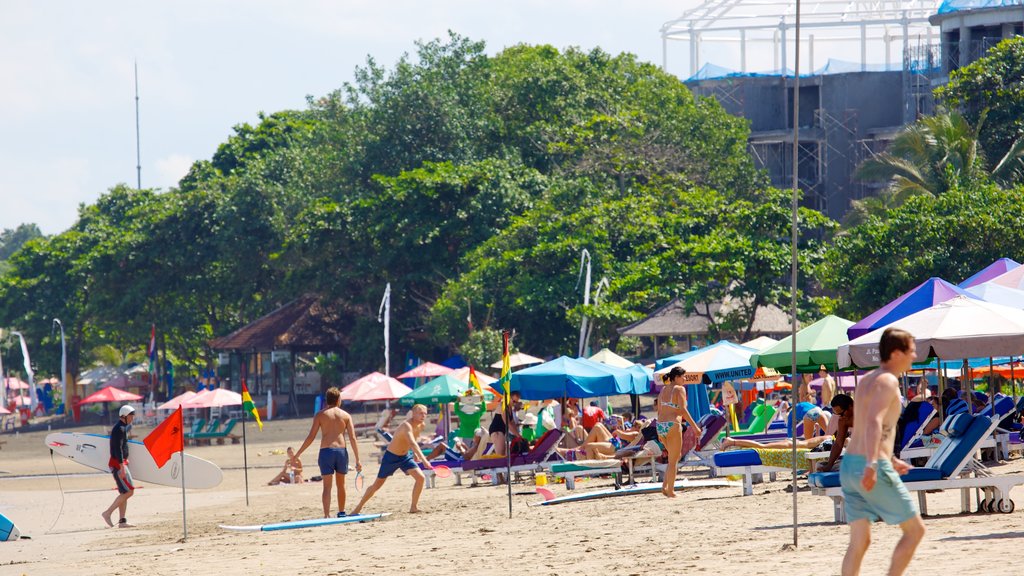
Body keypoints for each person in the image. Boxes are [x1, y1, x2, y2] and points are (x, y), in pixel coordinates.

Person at [840, 327, 925, 576]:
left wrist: (891, 457)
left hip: (849, 466)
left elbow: (867, 423)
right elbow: (874, 421)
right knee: (915, 531)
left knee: (859, 541)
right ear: (897, 353)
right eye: (911, 350)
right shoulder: (888, 381)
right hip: (868, 464)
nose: (914, 355)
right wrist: (873, 464)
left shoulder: (867, 380)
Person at [351, 404, 433, 515]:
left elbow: (414, 440)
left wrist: (415, 454)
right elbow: (413, 443)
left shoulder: (421, 425)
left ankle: (413, 507)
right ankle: (358, 508)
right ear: (413, 413)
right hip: (391, 457)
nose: (423, 415)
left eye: (425, 413)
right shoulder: (406, 426)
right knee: (377, 485)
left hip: (404, 457)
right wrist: (424, 460)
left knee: (420, 478)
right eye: (420, 413)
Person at [294, 386, 362, 518]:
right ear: (338, 400)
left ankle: (326, 515)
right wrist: (358, 459)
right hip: (341, 451)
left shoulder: (320, 415)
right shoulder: (346, 416)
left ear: (327, 400)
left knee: (327, 486)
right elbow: (353, 438)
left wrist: (298, 454)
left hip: (326, 451)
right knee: (341, 485)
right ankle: (341, 512)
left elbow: (311, 437)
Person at [656, 366, 701, 498]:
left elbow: (659, 410)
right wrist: (695, 427)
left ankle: (665, 487)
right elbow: (683, 410)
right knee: (674, 460)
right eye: (683, 376)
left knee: (673, 458)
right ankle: (670, 491)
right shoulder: (679, 389)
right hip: (673, 424)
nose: (685, 379)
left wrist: (659, 432)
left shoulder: (664, 389)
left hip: (661, 425)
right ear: (676, 377)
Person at [102, 405, 136, 528]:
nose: (133, 418)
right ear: (125, 416)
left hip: (121, 463)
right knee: (129, 491)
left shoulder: (122, 428)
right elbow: (117, 450)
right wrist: (122, 467)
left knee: (124, 492)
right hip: (118, 464)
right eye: (132, 416)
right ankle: (107, 513)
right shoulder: (119, 429)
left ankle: (122, 521)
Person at [818, 393, 854, 472]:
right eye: (837, 414)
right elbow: (838, 444)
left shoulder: (865, 415)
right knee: (820, 465)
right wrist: (829, 465)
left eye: (841, 413)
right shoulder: (843, 420)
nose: (840, 416)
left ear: (851, 407)